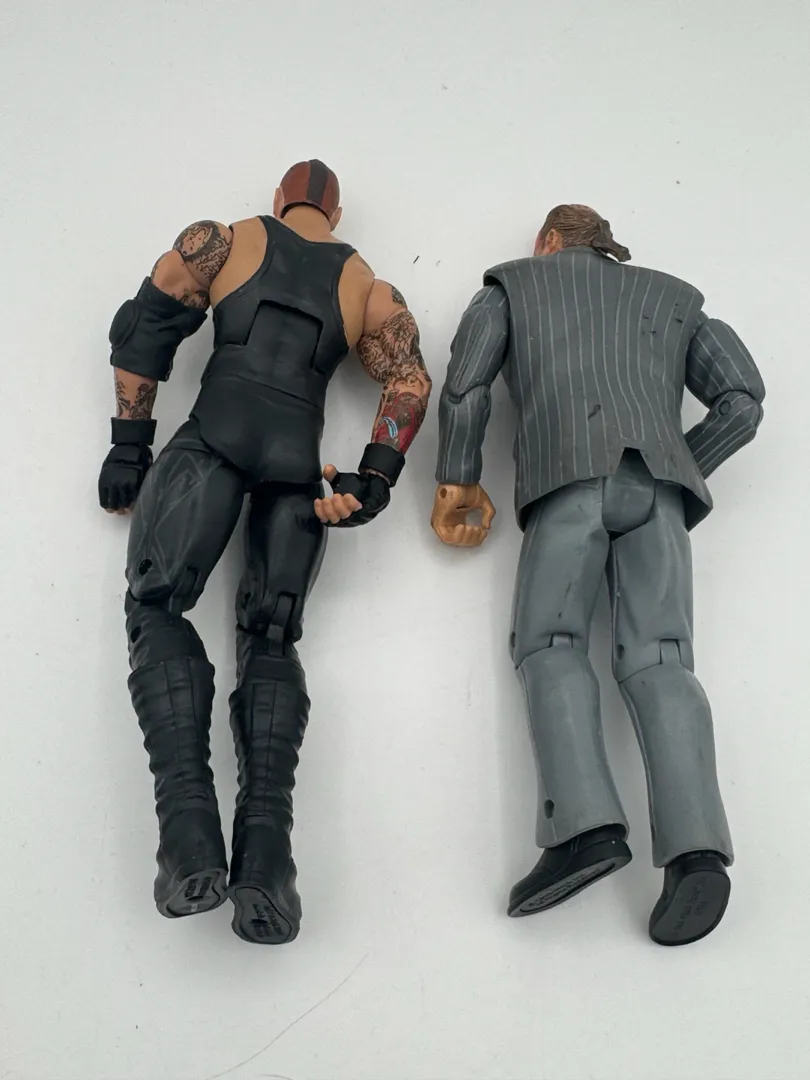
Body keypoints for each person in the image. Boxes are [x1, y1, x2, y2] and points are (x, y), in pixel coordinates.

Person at [98, 159, 432, 944]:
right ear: (335, 214)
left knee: (156, 604)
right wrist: (373, 479)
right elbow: (409, 384)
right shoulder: (369, 289)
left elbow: (142, 332)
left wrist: (128, 444)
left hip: (214, 436)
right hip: (297, 463)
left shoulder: (224, 241)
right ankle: (267, 860)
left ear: (280, 199)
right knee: (273, 637)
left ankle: (188, 838)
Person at [431, 204, 764, 946]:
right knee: (663, 661)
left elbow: (465, 386)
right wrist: (680, 465)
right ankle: (698, 854)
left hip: (568, 481)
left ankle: (583, 827)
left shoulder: (512, 287)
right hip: (660, 496)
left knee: (550, 643)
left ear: (548, 241)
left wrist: (457, 480)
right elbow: (744, 402)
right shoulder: (675, 299)